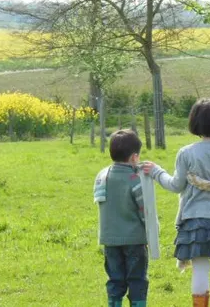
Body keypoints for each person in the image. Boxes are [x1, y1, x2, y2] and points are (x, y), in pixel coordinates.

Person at [143, 98, 210, 307]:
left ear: (196, 121)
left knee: (200, 269)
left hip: (194, 220)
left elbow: (176, 185)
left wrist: (156, 172)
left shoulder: (187, 153)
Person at [93, 129, 148, 307]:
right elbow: (144, 211)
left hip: (110, 240)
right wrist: (150, 233)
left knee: (115, 280)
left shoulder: (101, 176)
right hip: (135, 240)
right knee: (137, 279)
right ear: (134, 157)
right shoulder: (135, 179)